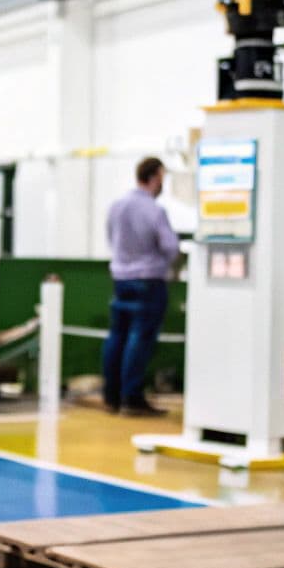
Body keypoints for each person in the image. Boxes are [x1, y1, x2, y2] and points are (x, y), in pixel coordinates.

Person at [103, 156, 180, 416]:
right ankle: (132, 397)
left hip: (120, 279)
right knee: (140, 338)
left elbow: (110, 239)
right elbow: (170, 246)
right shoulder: (155, 210)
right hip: (148, 281)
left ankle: (112, 396)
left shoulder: (116, 206)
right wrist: (163, 262)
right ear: (155, 177)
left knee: (117, 335)